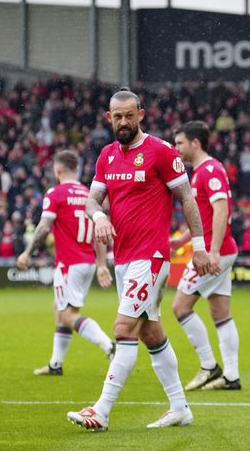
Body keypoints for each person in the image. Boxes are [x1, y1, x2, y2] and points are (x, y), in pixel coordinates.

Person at [67, 88, 210, 431]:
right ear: (108, 119)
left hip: (153, 255)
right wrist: (99, 217)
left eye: (130, 115)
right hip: (125, 257)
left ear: (141, 114)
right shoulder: (106, 156)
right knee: (149, 331)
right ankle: (179, 408)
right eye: (118, 117)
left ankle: (100, 411)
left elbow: (187, 199)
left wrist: (200, 245)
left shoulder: (161, 152)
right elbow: (92, 200)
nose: (124, 122)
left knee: (122, 328)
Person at [17, 150, 115, 375]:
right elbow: (98, 231)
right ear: (76, 169)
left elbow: (43, 227)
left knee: (67, 315)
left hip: (69, 263)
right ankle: (55, 364)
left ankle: (108, 346)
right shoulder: (89, 195)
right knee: (61, 309)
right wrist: (101, 264)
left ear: (57, 169)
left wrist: (27, 253)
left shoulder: (56, 193)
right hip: (87, 261)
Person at [170, 121, 242, 392]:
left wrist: (212, 252)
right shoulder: (201, 172)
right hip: (220, 250)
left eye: (179, 143)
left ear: (195, 143)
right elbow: (205, 217)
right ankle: (231, 377)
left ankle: (209, 366)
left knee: (180, 307)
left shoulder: (210, 170)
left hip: (216, 253)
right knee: (220, 312)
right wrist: (183, 240)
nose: (176, 149)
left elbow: (221, 210)